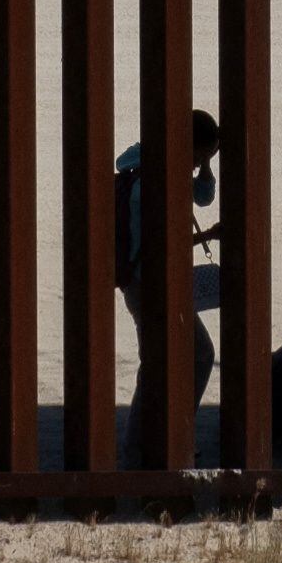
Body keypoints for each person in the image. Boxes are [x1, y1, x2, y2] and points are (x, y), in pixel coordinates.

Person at [117, 108, 222, 459]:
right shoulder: (155, 178)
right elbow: (161, 240)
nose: (198, 165)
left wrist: (204, 166)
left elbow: (204, 197)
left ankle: (159, 440)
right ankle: (149, 444)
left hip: (151, 282)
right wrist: (206, 236)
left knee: (169, 360)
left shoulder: (160, 166)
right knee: (189, 356)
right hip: (147, 285)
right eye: (199, 156)